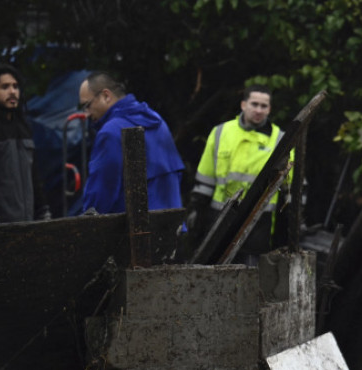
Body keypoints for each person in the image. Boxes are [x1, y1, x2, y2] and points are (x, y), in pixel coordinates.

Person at [189, 84, 288, 261]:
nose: (258, 110)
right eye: (254, 104)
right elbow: (205, 179)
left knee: (250, 280)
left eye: (263, 106)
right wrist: (197, 212)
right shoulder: (221, 133)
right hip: (220, 219)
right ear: (243, 105)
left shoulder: (281, 140)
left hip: (258, 225)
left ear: (269, 109)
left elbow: (290, 187)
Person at [78, 71, 184, 214]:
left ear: (106, 96)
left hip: (135, 232)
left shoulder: (110, 132)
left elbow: (100, 196)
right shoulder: (156, 120)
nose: (86, 114)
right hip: (171, 226)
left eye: (87, 105)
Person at [0, 63, 49, 223]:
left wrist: (43, 211)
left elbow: (33, 175)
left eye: (15, 86)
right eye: (5, 87)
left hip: (28, 222)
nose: (12, 91)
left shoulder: (24, 127)